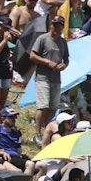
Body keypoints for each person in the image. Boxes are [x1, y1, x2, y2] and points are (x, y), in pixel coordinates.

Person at [28, 13, 69, 141]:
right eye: (55, 25)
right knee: (43, 106)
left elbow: (66, 59)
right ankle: (37, 133)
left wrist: (64, 65)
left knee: (53, 107)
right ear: (51, 25)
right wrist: (47, 62)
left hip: (56, 78)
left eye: (59, 26)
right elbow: (32, 56)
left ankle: (46, 130)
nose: (56, 28)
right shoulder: (43, 39)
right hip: (43, 77)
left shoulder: (63, 42)